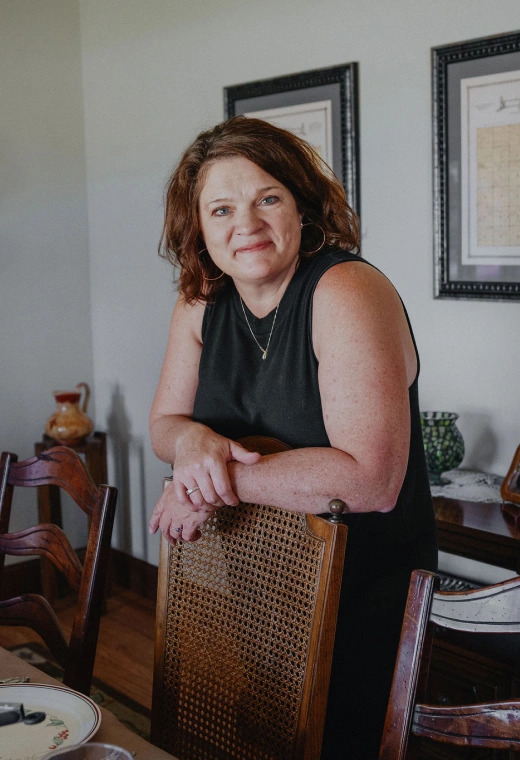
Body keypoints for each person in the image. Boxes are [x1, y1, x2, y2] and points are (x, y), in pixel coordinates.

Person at [148, 116, 437, 759]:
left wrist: (207, 487)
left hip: (366, 591)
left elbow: (371, 479)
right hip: (266, 582)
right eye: (220, 208)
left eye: (267, 198)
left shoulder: (346, 289)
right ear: (197, 227)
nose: (244, 224)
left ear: (303, 207)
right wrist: (195, 445)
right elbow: (164, 425)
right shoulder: (201, 299)